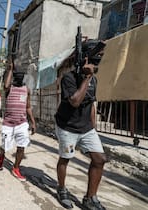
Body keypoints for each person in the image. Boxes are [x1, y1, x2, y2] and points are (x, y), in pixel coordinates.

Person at [54, 39, 106, 210]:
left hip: (86, 128)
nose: (98, 59)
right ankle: (61, 189)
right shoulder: (68, 78)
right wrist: (87, 77)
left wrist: (94, 129)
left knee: (99, 159)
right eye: (96, 55)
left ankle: (90, 198)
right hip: (67, 128)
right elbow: (75, 101)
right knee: (66, 158)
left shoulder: (96, 81)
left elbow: (91, 104)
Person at [0, 58, 36, 181]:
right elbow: (6, 85)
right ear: (13, 75)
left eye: (21, 75)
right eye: (16, 75)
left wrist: (32, 122)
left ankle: (16, 168)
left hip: (21, 123)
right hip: (8, 123)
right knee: (5, 145)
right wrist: (10, 69)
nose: (18, 77)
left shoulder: (26, 90)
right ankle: (2, 155)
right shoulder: (9, 88)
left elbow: (28, 107)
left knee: (22, 145)